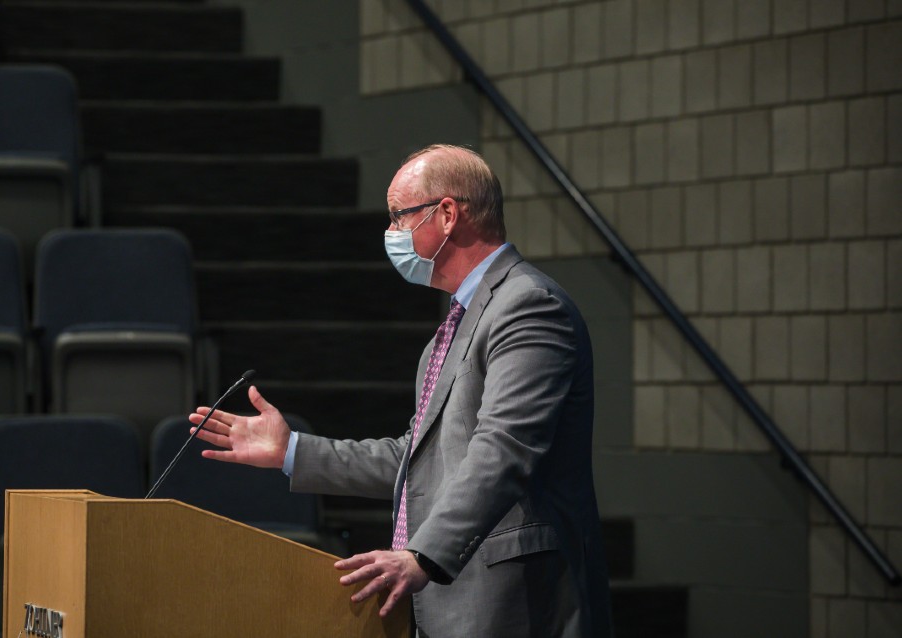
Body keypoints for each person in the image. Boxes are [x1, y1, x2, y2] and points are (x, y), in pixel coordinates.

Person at [189, 144, 613, 637]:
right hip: (457, 605)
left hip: (515, 608)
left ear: (448, 214)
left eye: (397, 216)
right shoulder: (451, 329)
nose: (390, 234)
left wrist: (421, 555)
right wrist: (292, 451)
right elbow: (417, 461)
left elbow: (503, 451)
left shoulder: (529, 308)